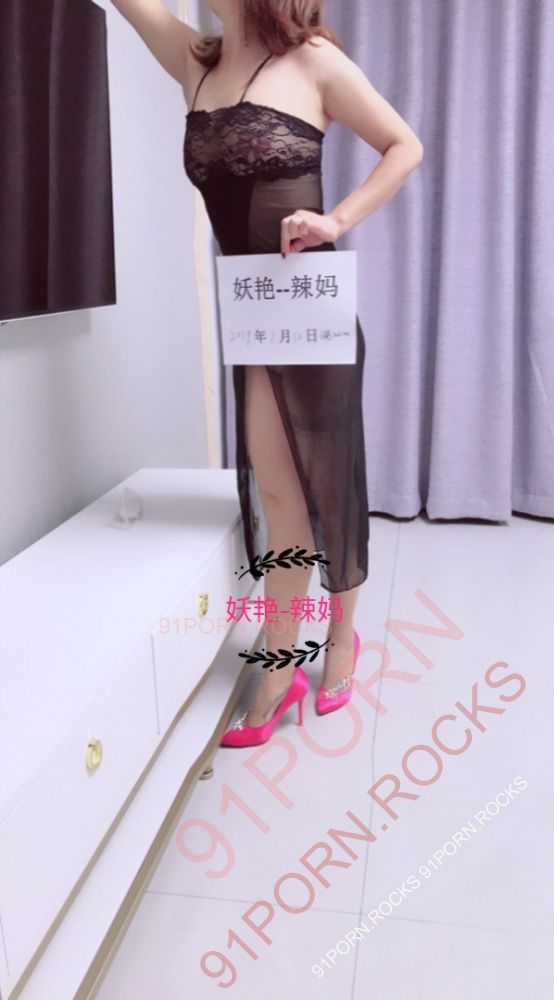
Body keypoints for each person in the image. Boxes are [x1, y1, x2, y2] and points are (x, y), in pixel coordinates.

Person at [111, 0, 423, 747]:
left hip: (310, 311)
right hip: (254, 317)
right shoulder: (195, 59)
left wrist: (336, 220)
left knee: (328, 485)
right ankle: (283, 664)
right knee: (280, 495)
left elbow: (404, 145)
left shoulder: (314, 62)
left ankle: (339, 641)